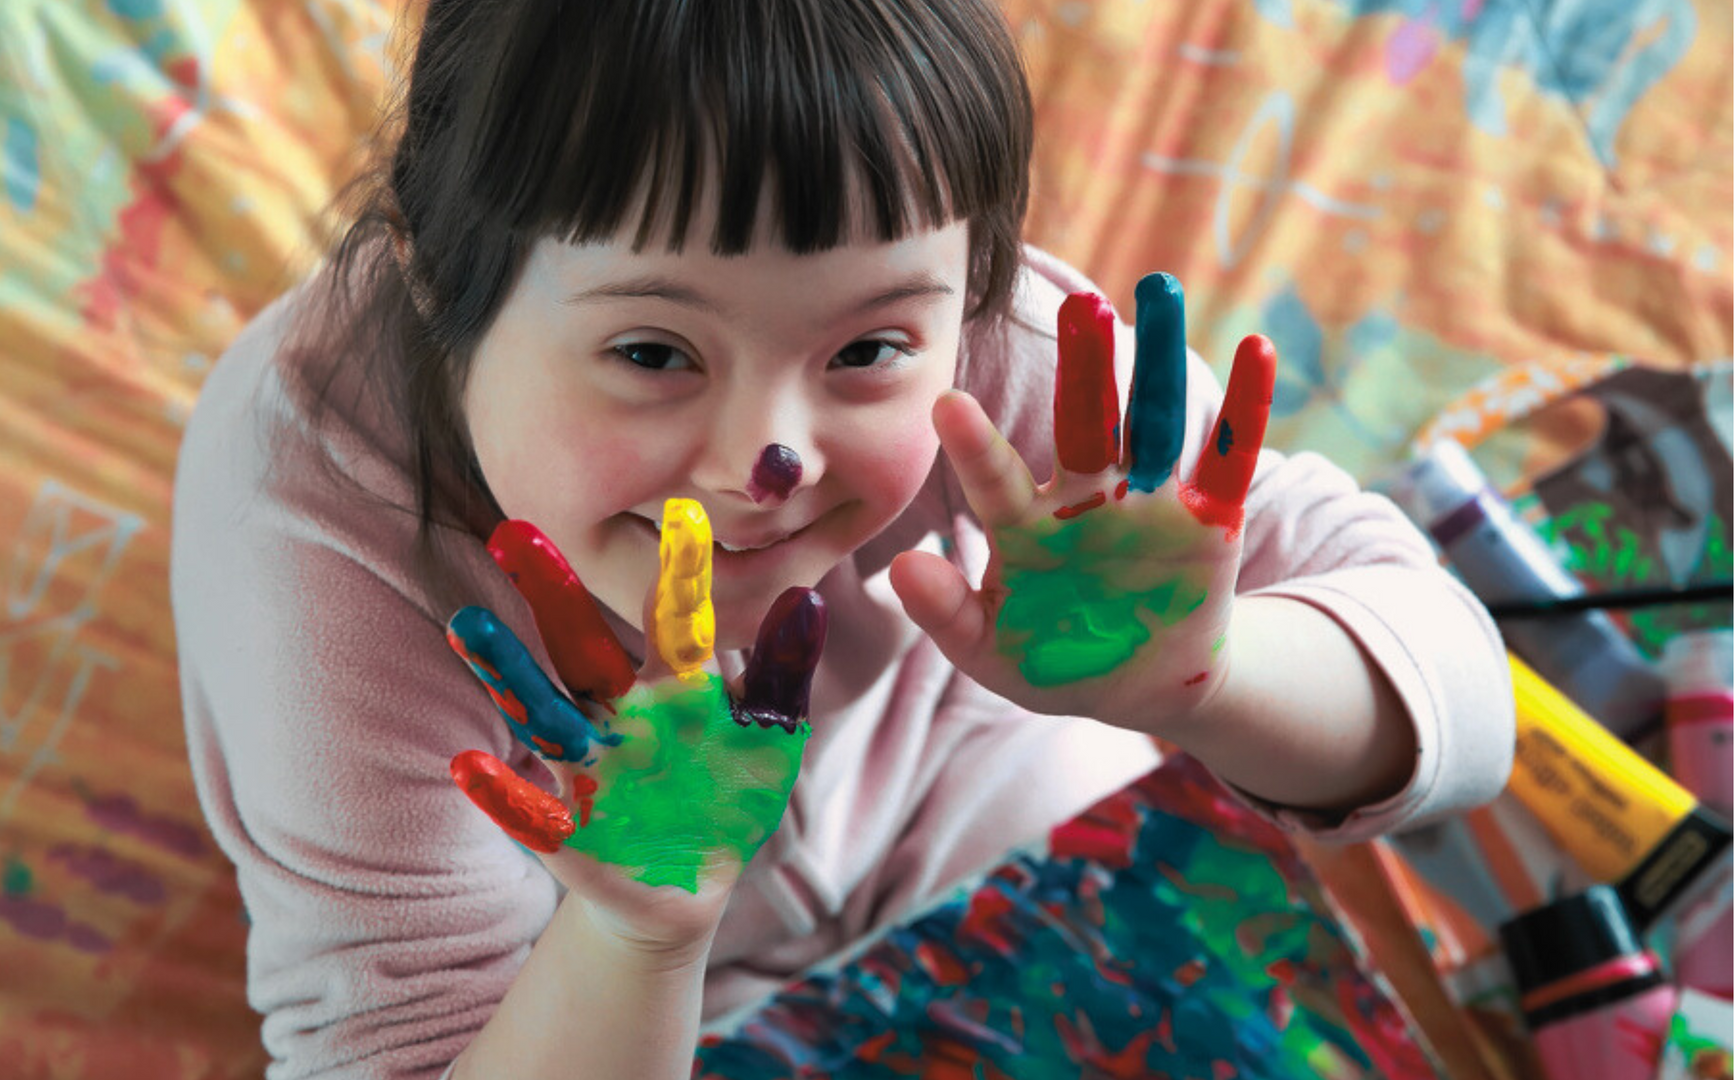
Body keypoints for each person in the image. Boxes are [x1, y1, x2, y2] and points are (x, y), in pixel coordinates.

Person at [168, 1, 1515, 1076]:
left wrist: (1209, 677)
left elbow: (1465, 702)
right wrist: (637, 931)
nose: (770, 462)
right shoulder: (310, 518)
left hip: (988, 801)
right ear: (432, 272)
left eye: (868, 345)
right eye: (653, 349)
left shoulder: (1002, 358)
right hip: (591, 993)